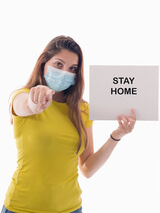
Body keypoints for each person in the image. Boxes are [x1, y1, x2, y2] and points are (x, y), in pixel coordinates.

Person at [1, 35, 136, 213]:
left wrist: (117, 136)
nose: (65, 72)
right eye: (58, 64)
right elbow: (26, 105)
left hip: (71, 208)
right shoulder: (22, 96)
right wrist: (35, 101)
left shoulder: (83, 109)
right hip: (22, 207)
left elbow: (87, 168)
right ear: (43, 64)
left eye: (72, 68)